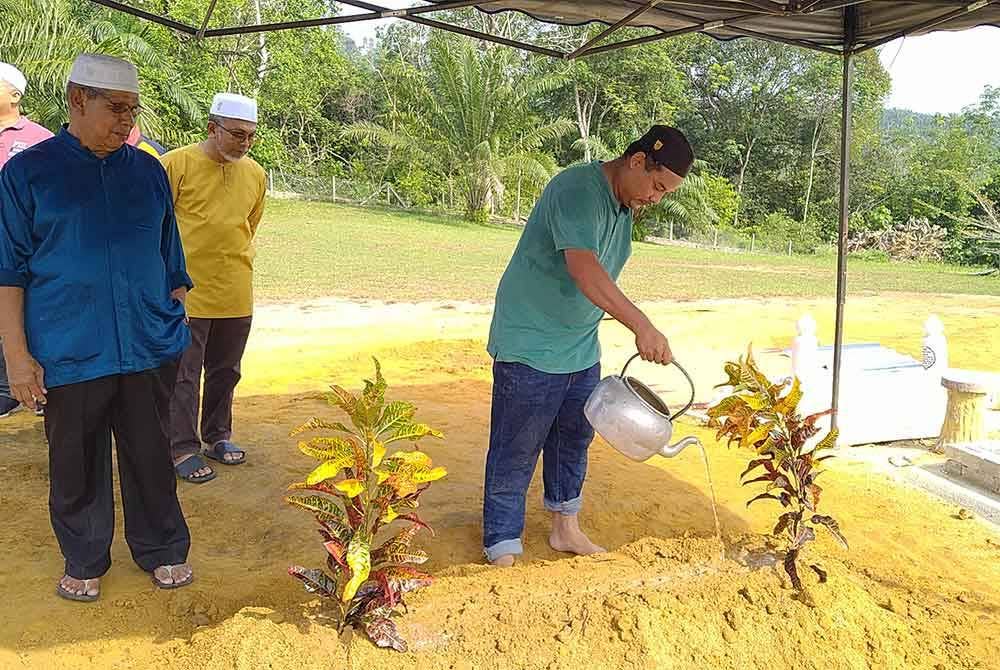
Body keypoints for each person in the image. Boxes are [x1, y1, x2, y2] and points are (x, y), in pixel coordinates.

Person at [0, 53, 195, 601]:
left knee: (151, 453)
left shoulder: (148, 172)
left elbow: (171, 261)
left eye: (132, 110)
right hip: (69, 349)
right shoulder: (28, 173)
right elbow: (8, 272)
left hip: (146, 347)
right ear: (77, 100)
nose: (126, 123)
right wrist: (17, 358)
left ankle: (162, 549)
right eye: (116, 109)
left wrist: (170, 324)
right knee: (75, 459)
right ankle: (84, 557)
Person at [483, 125, 694, 567]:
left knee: (573, 438)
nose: (655, 199)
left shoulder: (624, 207)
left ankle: (565, 528)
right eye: (656, 186)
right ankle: (502, 541)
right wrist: (642, 324)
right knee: (518, 445)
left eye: (664, 193)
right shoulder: (577, 189)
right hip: (531, 343)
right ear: (637, 161)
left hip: (579, 346)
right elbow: (584, 269)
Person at [160, 93, 266, 484]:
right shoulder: (175, 164)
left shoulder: (255, 173)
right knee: (184, 374)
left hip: (236, 288)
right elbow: (158, 224)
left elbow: (249, 224)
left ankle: (218, 436)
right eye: (237, 134)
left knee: (226, 371)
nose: (244, 143)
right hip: (187, 291)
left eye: (251, 136)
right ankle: (182, 447)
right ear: (211, 127)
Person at [0, 62, 53, 418]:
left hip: (27, 248)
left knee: (29, 314)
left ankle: (40, 387)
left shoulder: (39, 138)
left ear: (14, 95)